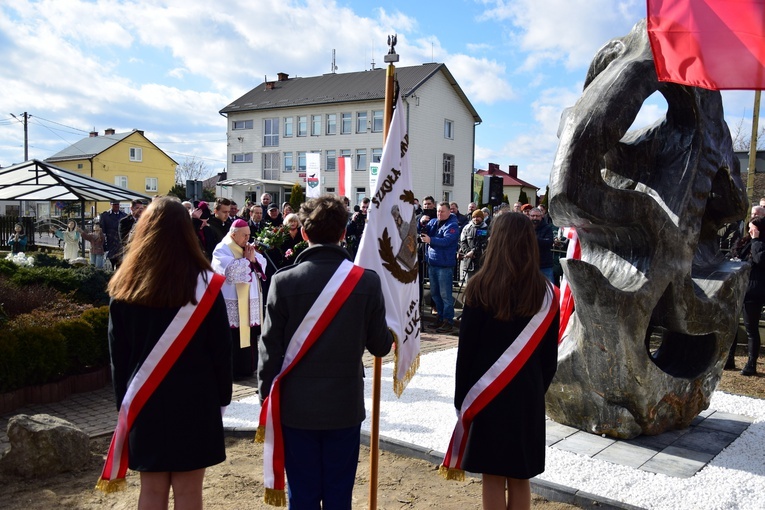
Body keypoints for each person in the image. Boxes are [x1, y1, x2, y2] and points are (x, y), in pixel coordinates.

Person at [258, 194, 393, 508]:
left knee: (302, 495)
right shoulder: (367, 282)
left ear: (303, 233)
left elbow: (269, 351)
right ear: (344, 232)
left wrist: (267, 400)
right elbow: (380, 346)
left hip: (295, 407)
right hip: (344, 406)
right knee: (338, 495)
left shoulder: (283, 282)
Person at [100, 197, 232, 507]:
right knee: (189, 492)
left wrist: (125, 406)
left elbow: (118, 358)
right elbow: (221, 351)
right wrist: (222, 398)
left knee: (151, 490)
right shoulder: (207, 286)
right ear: (187, 232)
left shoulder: (125, 287)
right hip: (196, 401)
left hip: (145, 401)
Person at [444, 212, 559, 510]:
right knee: (520, 477)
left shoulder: (479, 287)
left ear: (496, 242)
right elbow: (550, 359)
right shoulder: (546, 293)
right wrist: (534, 390)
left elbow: (466, 352)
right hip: (527, 396)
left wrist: (462, 400)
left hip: (486, 396)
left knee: (493, 476)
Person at [211, 219, 267, 380]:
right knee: (233, 337)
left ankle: (248, 368)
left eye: (249, 235)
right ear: (234, 234)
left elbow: (261, 262)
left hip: (249, 300)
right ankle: (234, 371)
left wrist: (254, 259)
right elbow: (229, 272)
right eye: (244, 235)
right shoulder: (223, 248)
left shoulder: (246, 247)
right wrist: (247, 260)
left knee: (249, 334)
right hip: (233, 300)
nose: (247, 239)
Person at [419, 201, 460, 333]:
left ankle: (448, 320)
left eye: (442, 211)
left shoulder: (453, 225)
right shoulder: (434, 222)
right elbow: (422, 232)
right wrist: (421, 223)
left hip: (444, 265)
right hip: (432, 263)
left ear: (449, 212)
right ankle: (440, 317)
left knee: (445, 295)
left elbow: (447, 241)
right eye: (438, 211)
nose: (439, 213)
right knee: (435, 294)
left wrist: (431, 240)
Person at [737, 216, 765, 376]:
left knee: (751, 329)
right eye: (749, 228)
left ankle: (751, 363)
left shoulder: (758, 244)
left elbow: (760, 259)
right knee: (733, 327)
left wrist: (755, 240)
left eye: (753, 229)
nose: (750, 231)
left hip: (754, 291)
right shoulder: (746, 242)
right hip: (741, 289)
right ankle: (729, 360)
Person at [458, 210, 489, 283]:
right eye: (474, 217)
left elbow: (484, 243)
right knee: (469, 286)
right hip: (469, 263)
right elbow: (462, 241)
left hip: (481, 263)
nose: (475, 219)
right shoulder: (467, 228)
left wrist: (473, 252)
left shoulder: (486, 229)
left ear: (482, 218)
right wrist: (468, 252)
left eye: (478, 217)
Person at [529, 207, 555, 282]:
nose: (535, 218)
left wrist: (533, 239)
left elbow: (549, 242)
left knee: (549, 288)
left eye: (537, 216)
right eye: (533, 216)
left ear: (541, 216)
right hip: (530, 264)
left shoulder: (547, 228)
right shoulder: (526, 227)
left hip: (545, 264)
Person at [100, 200, 127, 269]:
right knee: (109, 267)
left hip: (120, 245)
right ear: (110, 205)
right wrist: (104, 245)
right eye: (114, 205)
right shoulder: (105, 216)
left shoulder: (124, 216)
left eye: (117, 205)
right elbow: (102, 232)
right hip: (109, 244)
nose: (116, 206)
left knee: (120, 266)